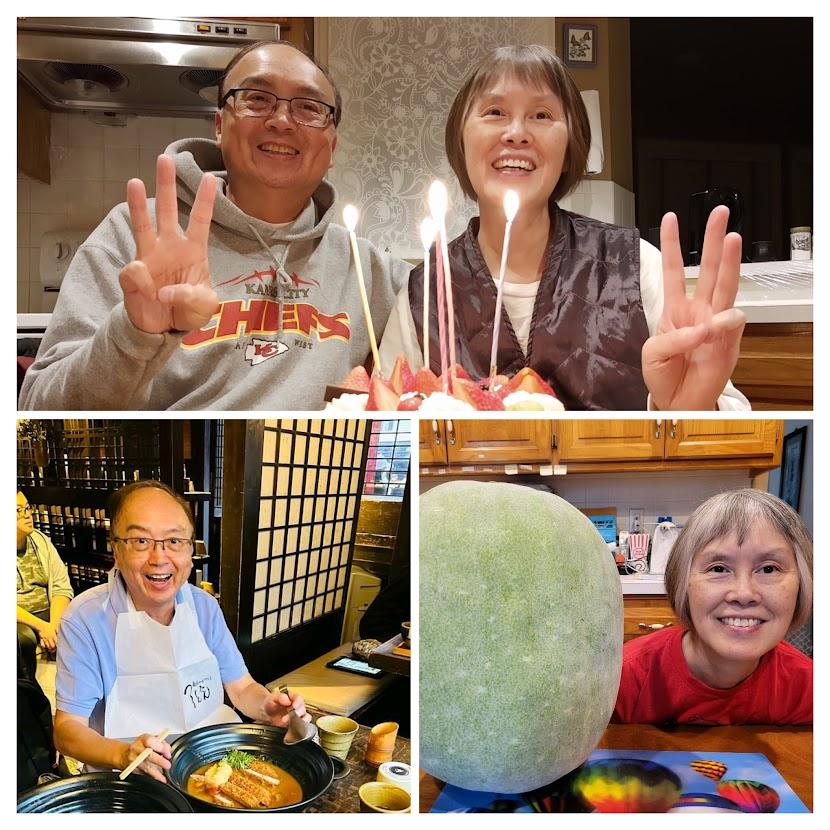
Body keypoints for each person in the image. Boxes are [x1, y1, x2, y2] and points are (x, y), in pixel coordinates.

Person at [19, 41, 409, 411]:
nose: (281, 120)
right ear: (220, 126)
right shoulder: (133, 235)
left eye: (308, 107)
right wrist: (133, 333)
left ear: (332, 147)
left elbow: (440, 307)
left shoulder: (368, 270)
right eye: (257, 99)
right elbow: (38, 407)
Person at [379, 45, 749, 411]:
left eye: (541, 115)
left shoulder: (637, 266)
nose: (516, 133)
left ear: (570, 146)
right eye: (494, 112)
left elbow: (726, 414)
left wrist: (690, 411)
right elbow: (386, 432)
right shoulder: (422, 293)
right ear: (461, 139)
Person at [54, 481, 309, 781]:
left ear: (190, 550)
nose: (159, 558)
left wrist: (267, 706)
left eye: (174, 541)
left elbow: (241, 688)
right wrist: (121, 754)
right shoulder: (85, 618)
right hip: (126, 780)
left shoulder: (203, 606)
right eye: (140, 541)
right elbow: (67, 729)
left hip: (206, 767)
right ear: (116, 550)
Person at [613, 489, 812, 725]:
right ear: (683, 583)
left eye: (769, 569)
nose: (744, 594)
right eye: (718, 569)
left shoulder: (809, 689)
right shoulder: (622, 680)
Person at [16, 492, 74, 682]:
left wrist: (54, 626)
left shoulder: (41, 540)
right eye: (18, 510)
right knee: (23, 639)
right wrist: (42, 627)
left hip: (48, 612)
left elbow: (61, 586)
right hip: (20, 618)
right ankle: (29, 695)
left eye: (27, 508)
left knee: (82, 624)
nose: (27, 515)